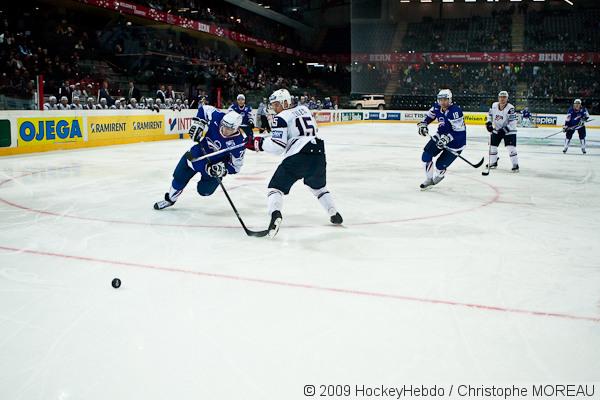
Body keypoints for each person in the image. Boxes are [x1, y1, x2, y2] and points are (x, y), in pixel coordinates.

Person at [246, 88, 343, 238]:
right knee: (319, 187)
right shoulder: (304, 109)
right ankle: (334, 213)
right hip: (318, 152)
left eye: (276, 104)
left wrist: (258, 144)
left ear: (285, 103)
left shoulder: (280, 117)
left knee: (275, 188)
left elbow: (278, 146)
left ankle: (275, 215)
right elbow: (308, 130)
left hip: (299, 155)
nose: (274, 108)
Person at [153, 105, 246, 210]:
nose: (224, 130)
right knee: (179, 176)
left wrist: (222, 169)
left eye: (229, 128)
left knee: (204, 191)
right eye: (223, 125)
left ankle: (208, 180)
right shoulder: (218, 117)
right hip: (197, 154)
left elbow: (236, 167)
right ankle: (170, 199)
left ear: (237, 128)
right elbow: (203, 108)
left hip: (213, 167)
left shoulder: (239, 143)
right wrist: (199, 124)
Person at [417, 89, 466, 189]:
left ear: (450, 100)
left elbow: (459, 132)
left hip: (456, 143)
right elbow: (429, 116)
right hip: (440, 135)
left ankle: (440, 174)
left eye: (445, 100)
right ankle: (429, 179)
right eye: (441, 100)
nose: (442, 102)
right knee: (426, 156)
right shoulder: (436, 106)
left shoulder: (455, 112)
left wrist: (446, 139)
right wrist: (423, 124)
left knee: (439, 165)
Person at [485, 91, 519, 172]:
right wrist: (489, 123)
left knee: (511, 147)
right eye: (501, 97)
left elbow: (513, 123)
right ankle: (493, 162)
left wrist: (504, 130)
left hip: (509, 130)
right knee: (492, 145)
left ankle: (515, 165)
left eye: (504, 97)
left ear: (507, 98)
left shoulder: (510, 108)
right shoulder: (494, 105)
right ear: (498, 98)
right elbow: (489, 116)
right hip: (497, 129)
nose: (502, 99)